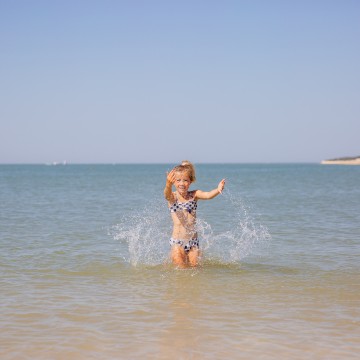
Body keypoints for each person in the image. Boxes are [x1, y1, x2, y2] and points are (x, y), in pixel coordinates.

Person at [164, 160, 226, 268]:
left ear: (190, 181)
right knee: (181, 269)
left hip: (193, 243)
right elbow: (166, 194)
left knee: (195, 268)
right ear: (174, 182)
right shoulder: (172, 197)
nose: (182, 183)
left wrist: (218, 189)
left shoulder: (194, 195)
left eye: (185, 180)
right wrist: (168, 184)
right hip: (177, 242)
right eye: (178, 180)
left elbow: (207, 195)